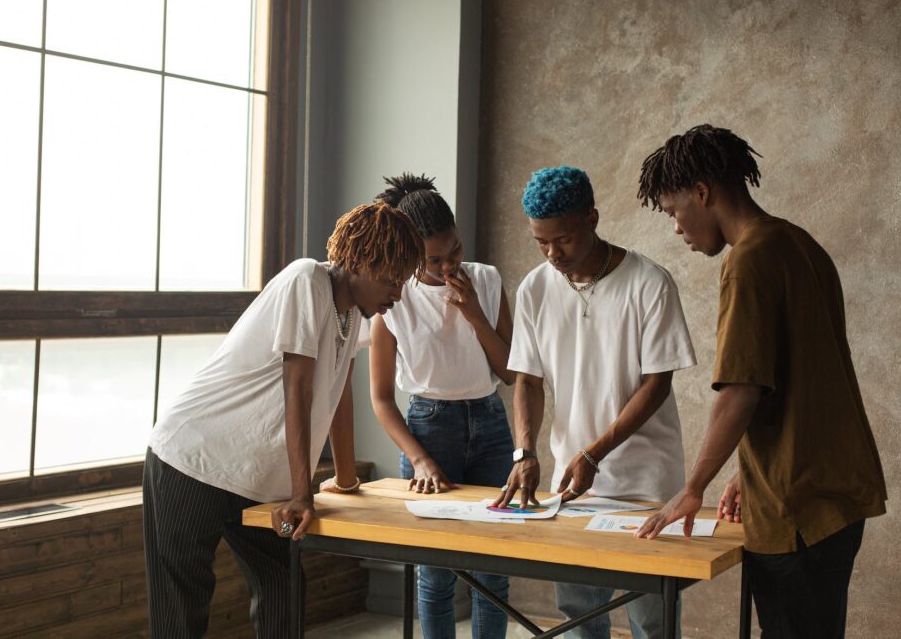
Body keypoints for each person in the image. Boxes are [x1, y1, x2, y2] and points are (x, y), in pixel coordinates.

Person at [634, 124, 887, 638]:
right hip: (833, 494)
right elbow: (798, 378)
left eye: (673, 212)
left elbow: (742, 390)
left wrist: (692, 487)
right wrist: (748, 470)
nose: (677, 229)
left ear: (701, 193)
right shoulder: (797, 242)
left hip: (797, 510)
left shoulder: (748, 261)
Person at [142, 203, 424, 638]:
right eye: (391, 281)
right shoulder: (305, 280)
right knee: (182, 605)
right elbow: (299, 388)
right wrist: (301, 492)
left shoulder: (354, 314)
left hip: (259, 478)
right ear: (361, 263)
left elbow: (338, 392)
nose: (397, 294)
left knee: (283, 590)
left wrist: (346, 479)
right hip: (193, 460)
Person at [496, 166, 697, 639]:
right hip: (575, 491)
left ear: (592, 218)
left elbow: (656, 384)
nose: (551, 254)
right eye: (540, 242)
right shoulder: (535, 288)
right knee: (578, 616)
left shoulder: (650, 283)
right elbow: (526, 378)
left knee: (653, 621)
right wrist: (525, 452)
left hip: (648, 486)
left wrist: (594, 453)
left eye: (561, 240)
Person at [369, 173, 517, 639]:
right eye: (434, 259)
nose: (448, 264)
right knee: (435, 573)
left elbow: (511, 372)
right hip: (429, 428)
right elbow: (380, 399)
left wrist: (474, 312)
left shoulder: (488, 280)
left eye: (454, 250)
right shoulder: (394, 296)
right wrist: (420, 458)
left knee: (494, 567)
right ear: (412, 254)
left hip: (491, 423)